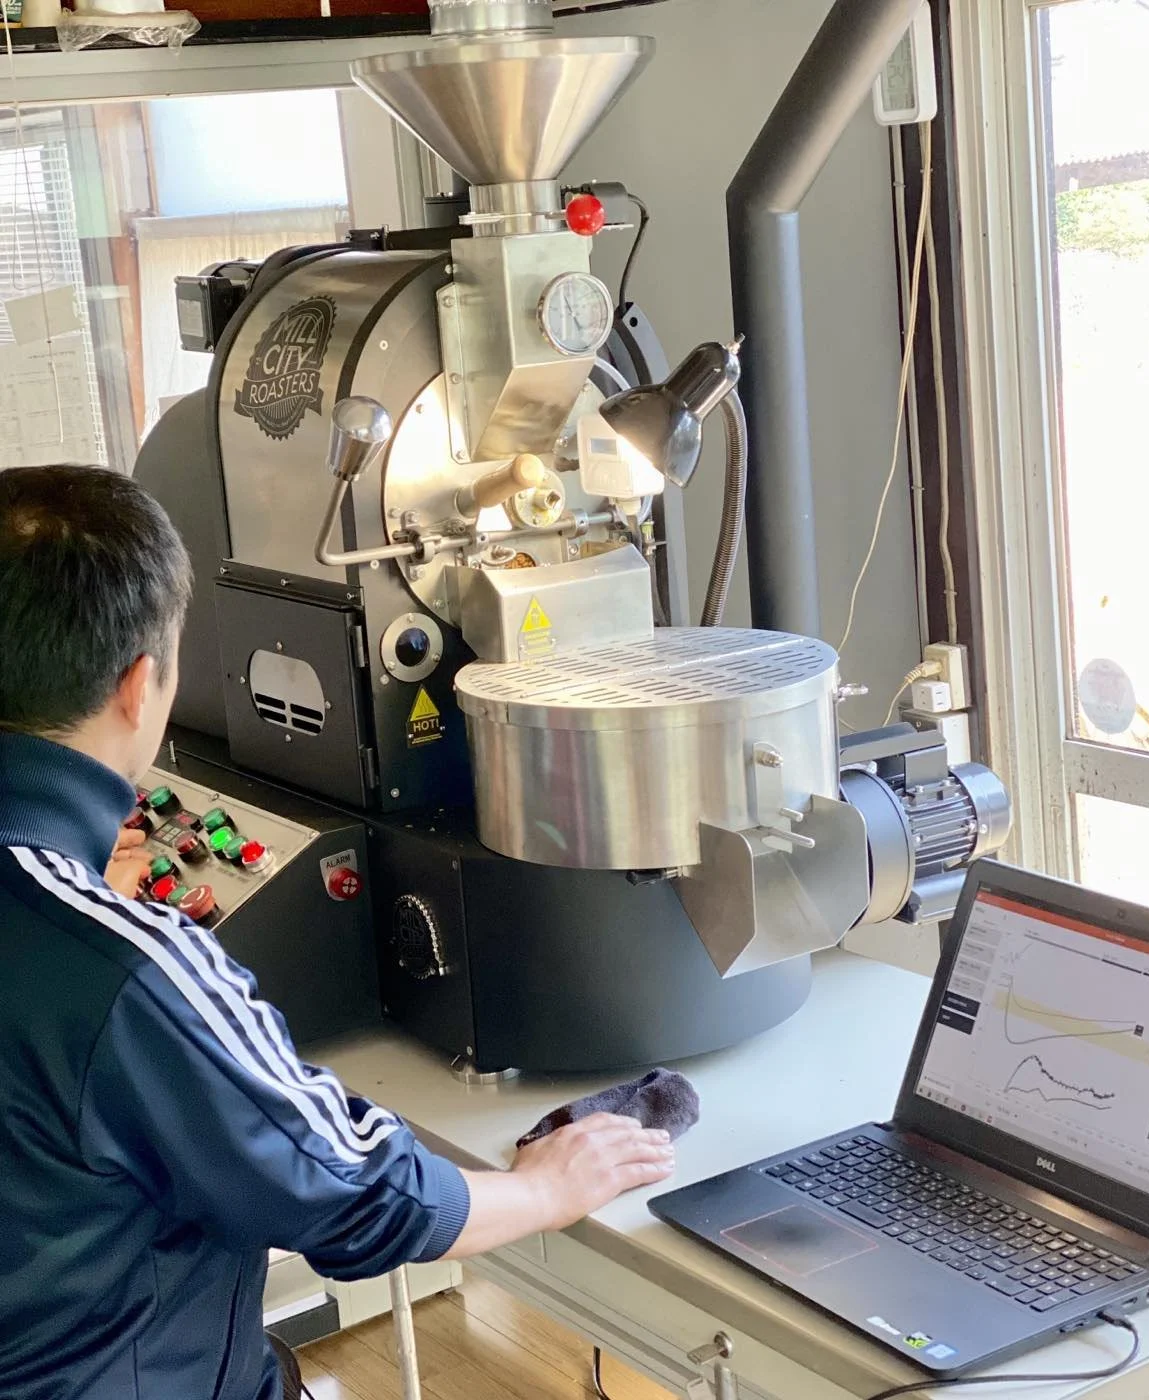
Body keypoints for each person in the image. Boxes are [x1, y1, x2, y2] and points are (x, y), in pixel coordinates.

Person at [0, 465, 675, 1400]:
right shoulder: (126, 967)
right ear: (140, 684)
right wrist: (544, 1189)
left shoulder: (87, 941)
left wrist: (71, 898)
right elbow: (352, 1193)